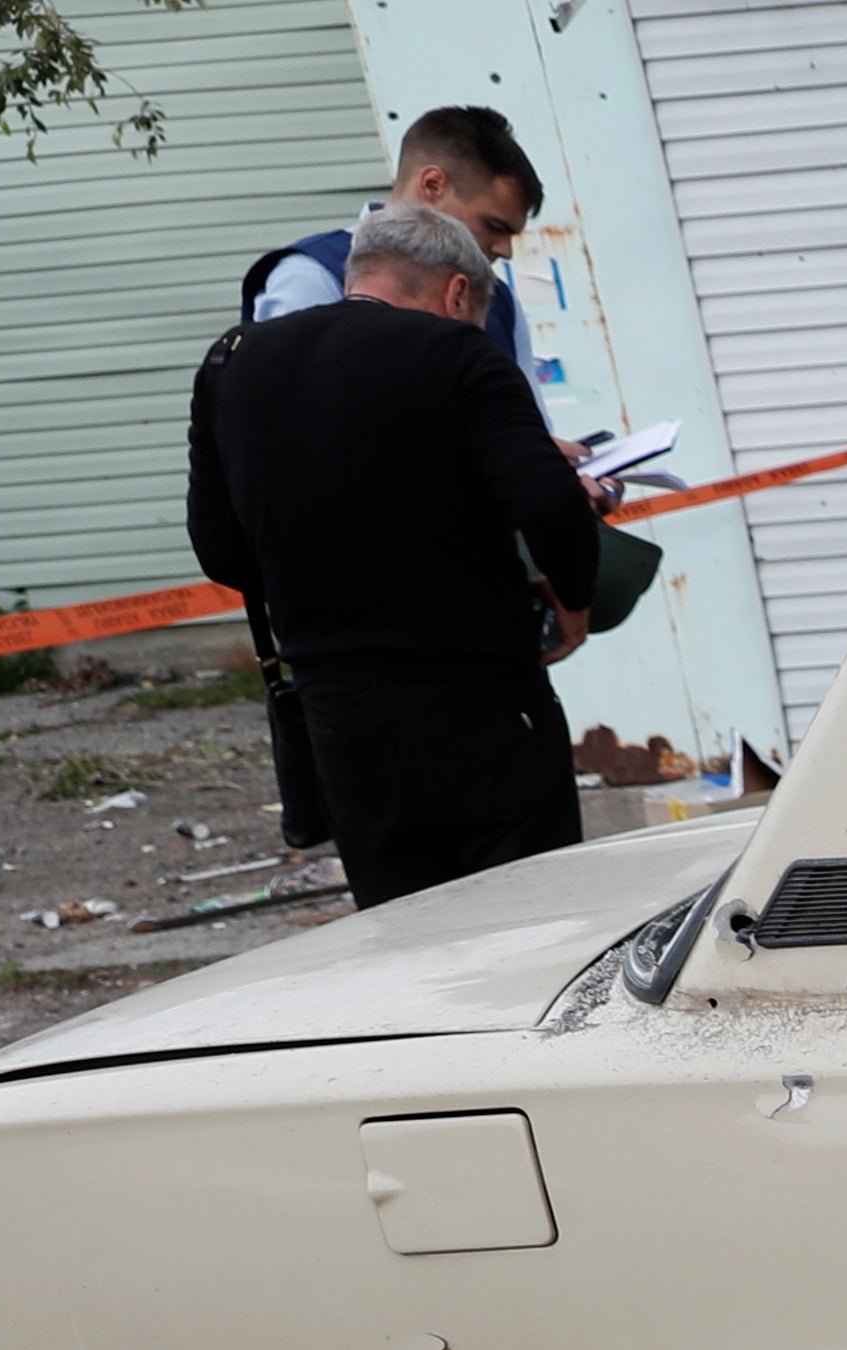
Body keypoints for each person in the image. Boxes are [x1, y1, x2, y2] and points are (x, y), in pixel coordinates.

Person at [186, 204, 602, 910]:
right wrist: (574, 605)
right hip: (481, 703)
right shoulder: (460, 356)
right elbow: (549, 504)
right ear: (458, 292)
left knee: (405, 937)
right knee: (536, 924)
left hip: (343, 717)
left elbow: (220, 549)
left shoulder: (233, 362)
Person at [248, 107, 542, 401]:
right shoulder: (312, 277)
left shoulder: (500, 302)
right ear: (432, 185)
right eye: (493, 225)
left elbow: (533, 422)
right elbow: (289, 422)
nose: (505, 250)